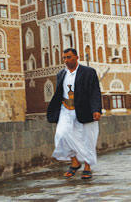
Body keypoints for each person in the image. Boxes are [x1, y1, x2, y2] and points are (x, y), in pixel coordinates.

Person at [47, 48, 102, 179]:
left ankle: (87, 166)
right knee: (61, 135)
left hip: (84, 109)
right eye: (64, 58)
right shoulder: (61, 74)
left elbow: (95, 91)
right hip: (66, 109)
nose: (66, 60)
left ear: (77, 57)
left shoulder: (88, 72)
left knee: (88, 138)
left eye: (69, 57)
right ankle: (75, 162)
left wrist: (96, 109)